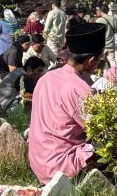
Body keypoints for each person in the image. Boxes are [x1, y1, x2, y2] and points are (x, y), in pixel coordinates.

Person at [27, 21, 107, 183]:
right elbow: (99, 129)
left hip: (38, 163)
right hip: (59, 169)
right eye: (99, 59)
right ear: (91, 60)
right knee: (112, 144)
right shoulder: (79, 89)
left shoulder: (46, 78)